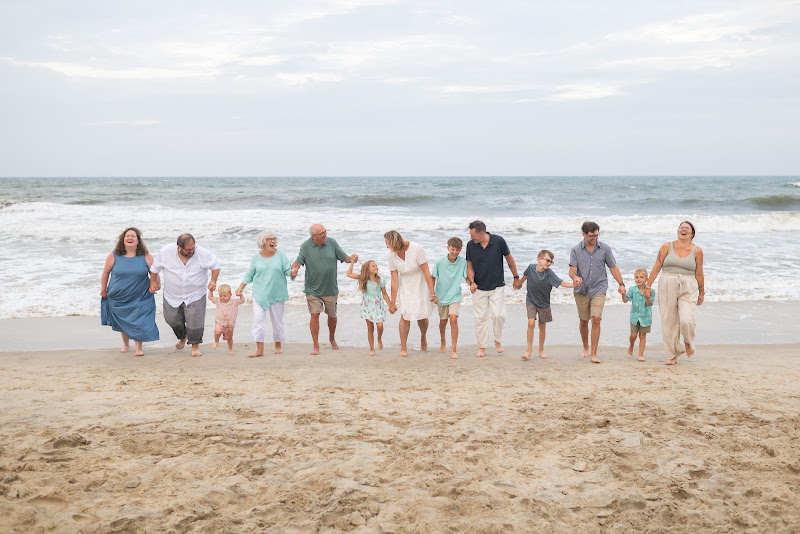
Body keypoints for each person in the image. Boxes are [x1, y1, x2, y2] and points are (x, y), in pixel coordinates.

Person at [290, 224, 358, 355]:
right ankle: (316, 345)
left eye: (325, 232)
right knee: (314, 315)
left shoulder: (332, 242)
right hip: (312, 288)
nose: (325, 234)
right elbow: (298, 261)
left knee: (332, 316)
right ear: (314, 236)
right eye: (322, 233)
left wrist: (352, 258)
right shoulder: (305, 246)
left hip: (330, 288)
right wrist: (294, 269)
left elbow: (345, 258)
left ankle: (332, 339)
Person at [149, 233, 220, 357]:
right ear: (179, 247)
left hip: (195, 294)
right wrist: (153, 282)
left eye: (193, 248)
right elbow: (155, 268)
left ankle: (195, 347)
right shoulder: (166, 252)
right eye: (188, 249)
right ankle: (183, 336)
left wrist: (213, 280)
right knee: (171, 319)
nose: (192, 251)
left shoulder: (202, 253)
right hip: (172, 294)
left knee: (195, 322)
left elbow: (216, 265)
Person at [644, 221, 705, 365]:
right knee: (668, 321)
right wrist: (648, 285)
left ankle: (688, 342)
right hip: (667, 282)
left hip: (688, 285)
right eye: (681, 227)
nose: (683, 229)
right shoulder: (667, 246)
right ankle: (673, 354)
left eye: (687, 228)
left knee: (686, 319)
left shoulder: (697, 251)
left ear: (692, 234)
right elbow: (657, 266)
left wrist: (702, 292)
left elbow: (699, 273)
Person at [568, 221, 625, 364]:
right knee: (583, 321)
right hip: (581, 289)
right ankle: (585, 347)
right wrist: (575, 278)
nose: (595, 238)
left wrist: (621, 284)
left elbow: (613, 268)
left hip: (599, 287)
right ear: (583, 234)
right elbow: (572, 269)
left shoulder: (605, 248)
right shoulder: (575, 250)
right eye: (592, 236)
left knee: (596, 319)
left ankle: (593, 353)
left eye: (597, 235)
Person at [101, 227, 159, 357]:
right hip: (119, 296)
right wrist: (103, 289)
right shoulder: (114, 255)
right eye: (127, 236)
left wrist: (155, 283)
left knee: (138, 320)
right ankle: (126, 344)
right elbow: (105, 273)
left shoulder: (145, 255)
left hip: (140, 295)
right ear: (123, 240)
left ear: (138, 241)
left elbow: (154, 271)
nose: (130, 238)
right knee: (124, 320)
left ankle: (138, 347)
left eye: (133, 236)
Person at [237, 230, 295, 357]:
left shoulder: (281, 255)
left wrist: (293, 273)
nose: (273, 241)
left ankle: (278, 346)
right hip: (260, 293)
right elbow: (250, 273)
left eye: (274, 239)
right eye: (270, 239)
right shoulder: (256, 257)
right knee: (258, 321)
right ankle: (259, 349)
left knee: (277, 321)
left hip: (277, 293)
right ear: (263, 242)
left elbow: (288, 270)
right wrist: (240, 287)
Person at [466, 220, 518, 358]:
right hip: (478, 287)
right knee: (480, 318)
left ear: (481, 233)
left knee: (498, 315)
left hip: (497, 285)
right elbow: (469, 266)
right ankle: (482, 347)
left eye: (473, 235)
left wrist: (516, 277)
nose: (471, 238)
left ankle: (498, 341)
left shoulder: (499, 241)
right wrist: (471, 282)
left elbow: (509, 259)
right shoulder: (470, 245)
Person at [513, 250, 574, 360]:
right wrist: (519, 283)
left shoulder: (549, 273)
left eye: (551, 262)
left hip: (544, 303)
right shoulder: (531, 268)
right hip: (531, 300)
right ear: (539, 259)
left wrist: (574, 285)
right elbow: (524, 276)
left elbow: (561, 283)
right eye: (547, 260)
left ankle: (541, 350)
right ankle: (529, 350)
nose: (549, 263)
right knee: (531, 323)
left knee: (542, 326)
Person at [385, 230, 438, 357]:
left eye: (387, 243)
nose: (386, 246)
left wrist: (432, 292)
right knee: (405, 315)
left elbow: (426, 271)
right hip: (405, 287)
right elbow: (394, 279)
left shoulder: (417, 249)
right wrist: (392, 301)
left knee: (421, 316)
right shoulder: (392, 255)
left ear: (393, 242)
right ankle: (403, 347)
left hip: (420, 284)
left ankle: (423, 336)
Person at [431, 237, 470, 359]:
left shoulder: (463, 262)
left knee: (453, 319)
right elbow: (432, 277)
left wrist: (472, 284)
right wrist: (433, 294)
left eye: (458, 250)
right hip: (441, 296)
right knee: (443, 321)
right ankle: (443, 340)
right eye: (453, 249)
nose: (455, 252)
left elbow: (466, 277)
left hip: (455, 296)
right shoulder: (439, 262)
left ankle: (453, 349)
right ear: (448, 248)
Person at [347, 260, 390, 356]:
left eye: (376, 265)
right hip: (367, 305)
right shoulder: (364, 279)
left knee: (380, 326)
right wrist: (352, 262)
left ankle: (379, 338)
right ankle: (372, 349)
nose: (376, 267)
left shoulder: (381, 280)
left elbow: (385, 294)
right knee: (370, 327)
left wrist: (391, 305)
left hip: (378, 305)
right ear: (367, 270)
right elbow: (349, 274)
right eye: (373, 266)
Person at [622, 268, 655, 362]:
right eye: (636, 277)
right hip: (634, 317)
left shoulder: (651, 290)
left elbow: (649, 304)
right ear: (634, 279)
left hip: (645, 317)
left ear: (647, 279)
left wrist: (647, 297)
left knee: (642, 335)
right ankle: (631, 345)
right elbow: (625, 300)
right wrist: (623, 295)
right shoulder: (632, 289)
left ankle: (640, 354)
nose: (639, 279)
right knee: (633, 335)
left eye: (641, 277)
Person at [209, 284, 244, 354]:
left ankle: (230, 349)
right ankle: (216, 341)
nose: (222, 297)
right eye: (220, 295)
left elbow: (242, 301)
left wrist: (240, 295)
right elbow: (210, 297)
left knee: (229, 338)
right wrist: (211, 290)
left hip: (229, 324)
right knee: (217, 331)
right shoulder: (218, 301)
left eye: (224, 296)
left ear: (230, 295)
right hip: (219, 322)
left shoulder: (234, 302)